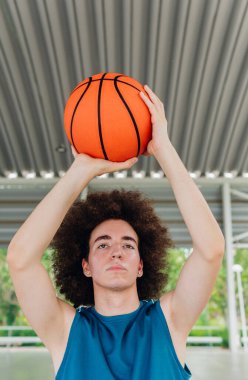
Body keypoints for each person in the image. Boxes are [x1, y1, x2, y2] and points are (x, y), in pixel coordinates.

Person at [7, 85, 225, 379]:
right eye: (102, 244)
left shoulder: (170, 320)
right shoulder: (66, 330)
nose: (116, 251)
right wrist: (80, 170)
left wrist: (164, 150)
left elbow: (211, 250)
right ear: (85, 266)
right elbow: (20, 259)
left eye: (128, 244)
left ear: (140, 265)